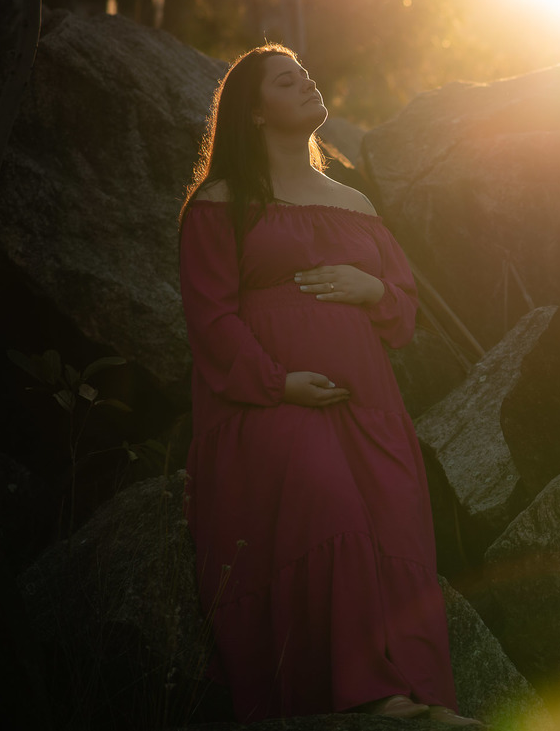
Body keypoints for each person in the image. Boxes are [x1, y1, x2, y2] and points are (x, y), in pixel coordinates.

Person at [176, 42, 482, 727]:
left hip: (369, 407)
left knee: (392, 522)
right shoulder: (221, 201)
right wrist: (279, 382)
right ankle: (364, 696)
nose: (306, 82)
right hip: (268, 404)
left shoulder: (354, 200)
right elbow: (211, 317)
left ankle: (417, 699)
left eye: (306, 74)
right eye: (287, 81)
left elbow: (401, 310)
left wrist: (367, 284)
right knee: (330, 506)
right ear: (253, 114)